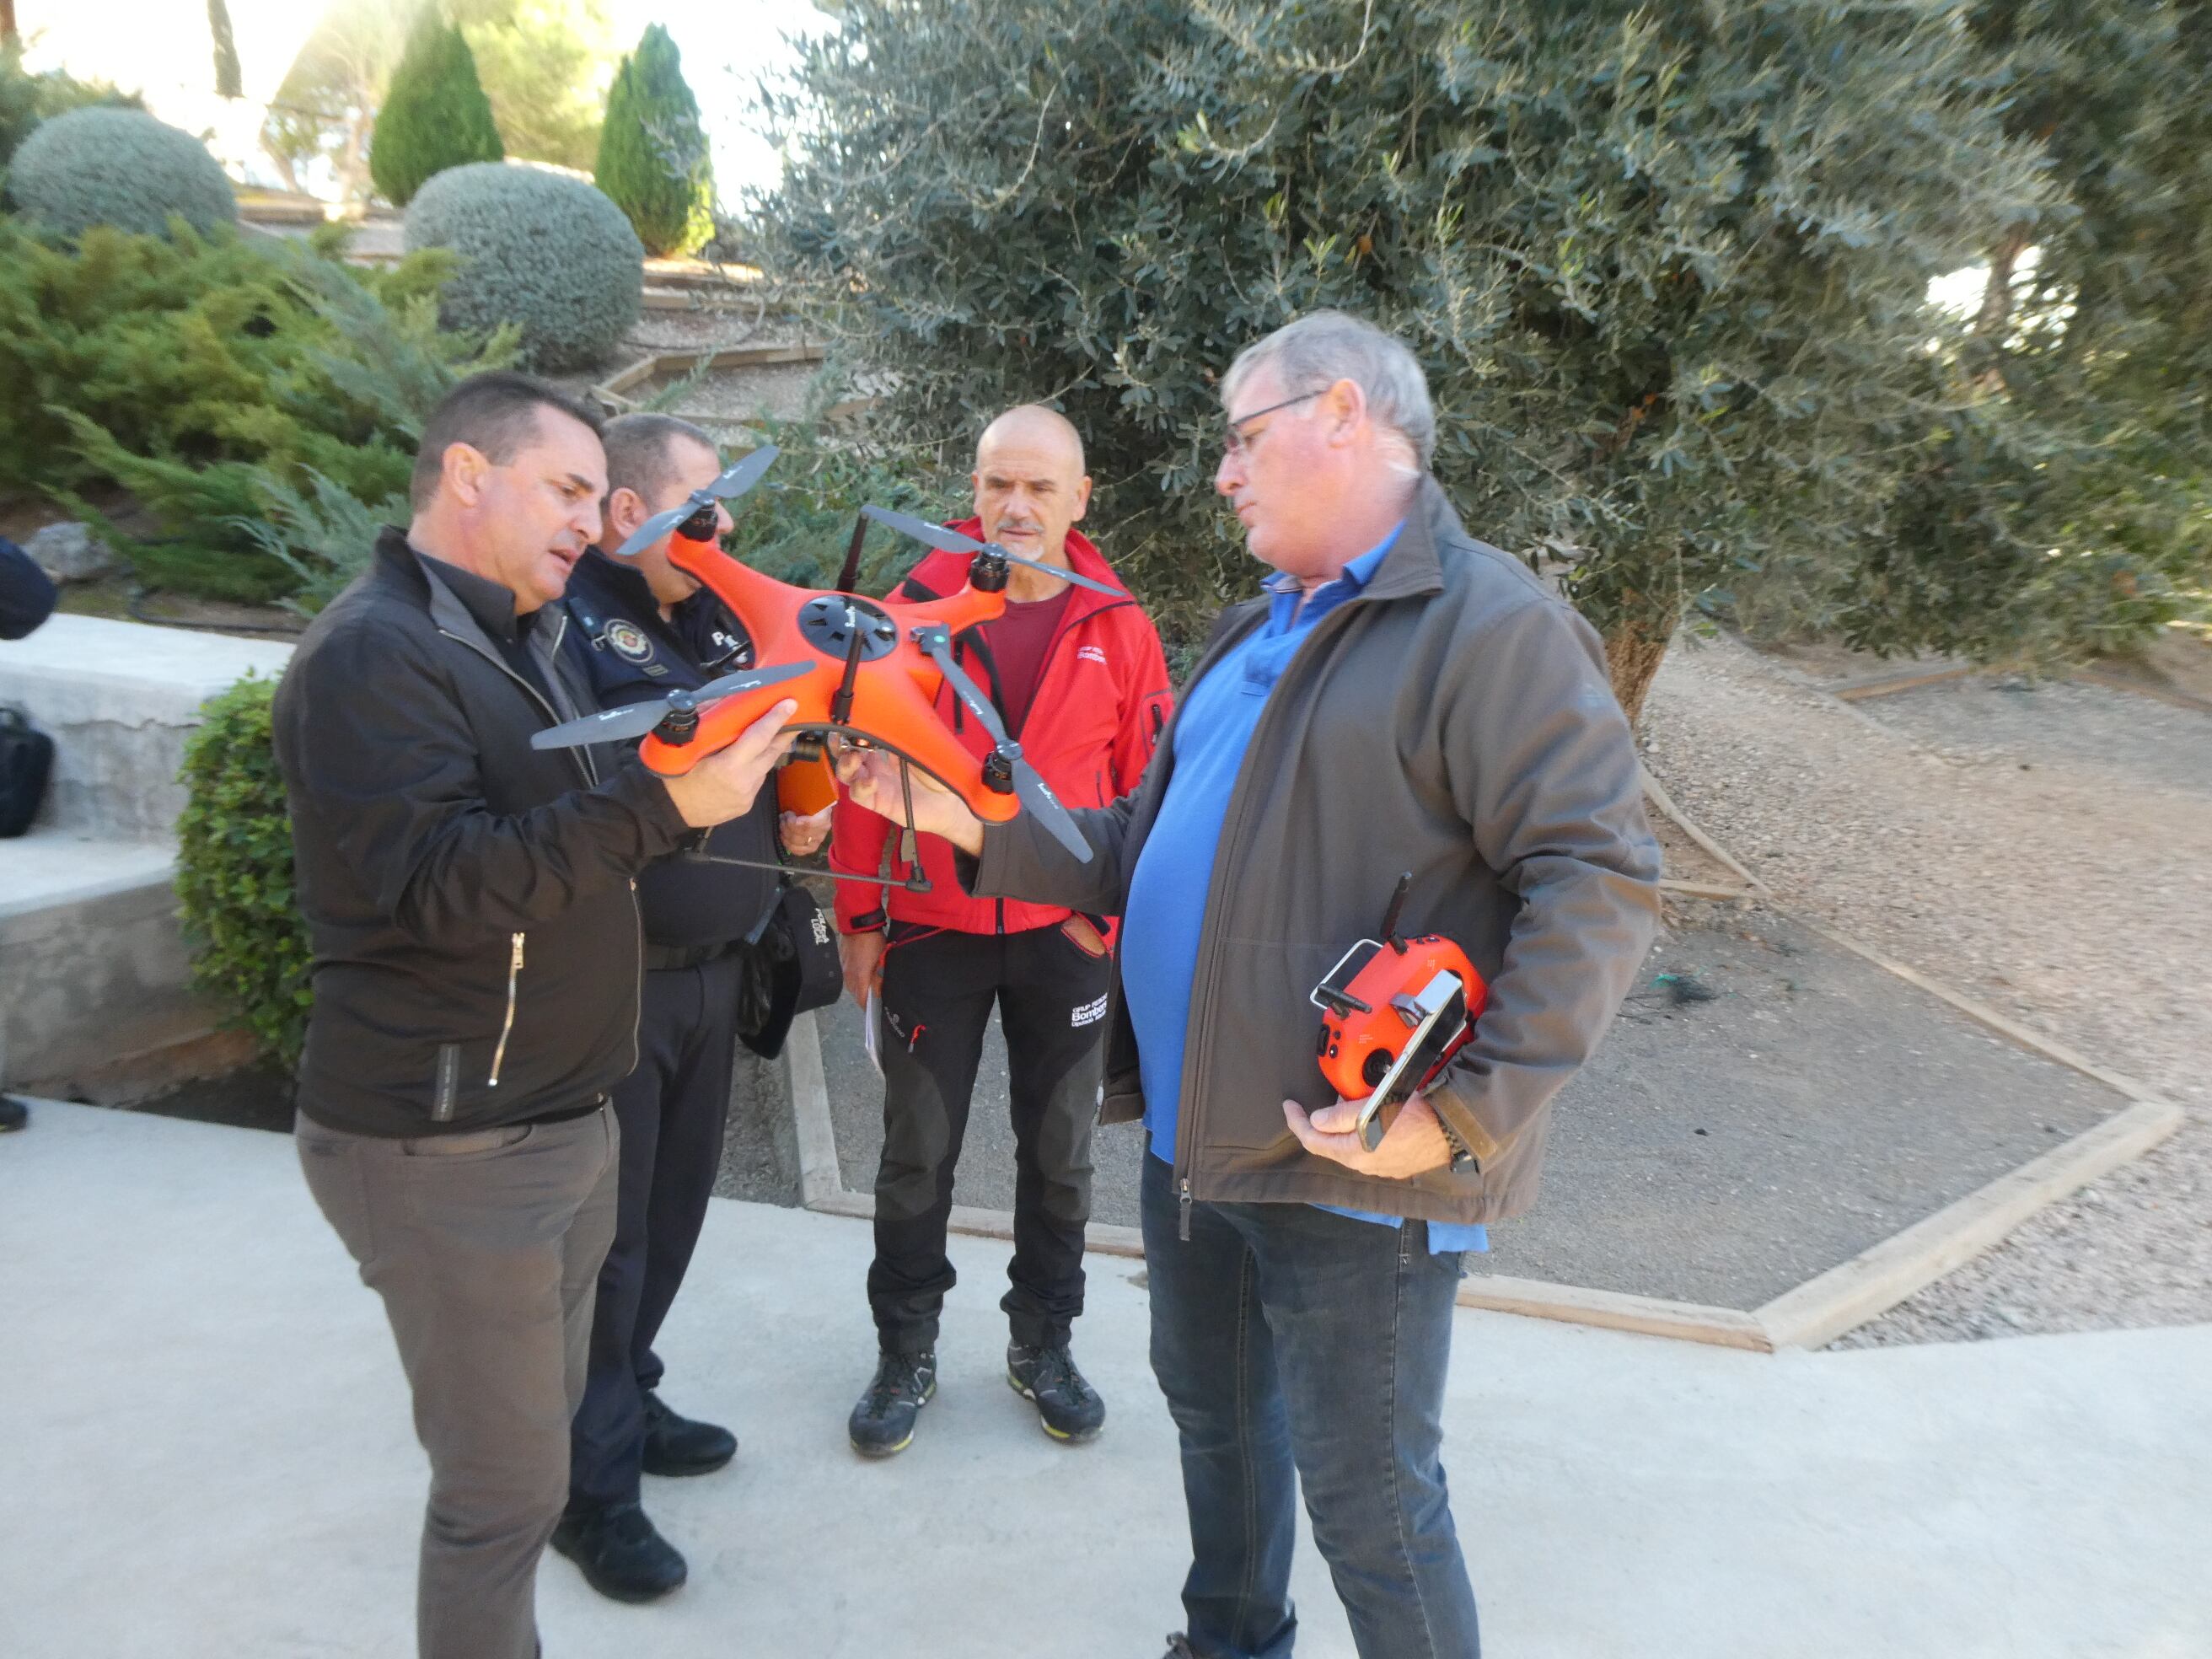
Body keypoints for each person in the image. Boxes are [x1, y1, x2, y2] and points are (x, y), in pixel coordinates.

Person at [840, 313, 1661, 1659]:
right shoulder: (1247, 635)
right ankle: (1228, 1643)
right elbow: (1123, 852)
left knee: (1372, 1504)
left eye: (1242, 436)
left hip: (1356, 1167)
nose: (1222, 473)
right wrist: (952, 811)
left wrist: (1459, 1114)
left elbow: (1602, 876)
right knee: (1217, 1424)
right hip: (1197, 1146)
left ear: (1343, 414)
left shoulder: (1485, 624)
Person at [271, 372, 799, 1659]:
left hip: (560, 1120)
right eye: (567, 489)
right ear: (466, 475)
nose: (590, 517)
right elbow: (444, 885)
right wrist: (665, 807)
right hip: (445, 1145)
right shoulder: (373, 655)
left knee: (543, 1450)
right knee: (500, 1497)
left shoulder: (523, 633)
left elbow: (582, 813)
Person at [830, 404, 1174, 1456]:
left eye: (1038, 488)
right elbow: (859, 776)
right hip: (931, 927)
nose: (1013, 507)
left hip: (1061, 938)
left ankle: (1042, 1343)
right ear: (972, 491)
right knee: (913, 1154)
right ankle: (904, 1347)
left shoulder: (1120, 626)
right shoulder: (908, 613)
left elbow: (1146, 795)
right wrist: (857, 914)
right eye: (996, 485)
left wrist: (1104, 925)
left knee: (1059, 1156)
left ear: (1080, 499)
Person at [548, 412, 832, 1602]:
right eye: (704, 507)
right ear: (630, 511)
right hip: (621, 980)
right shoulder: (570, 628)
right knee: (604, 1248)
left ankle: (628, 1394)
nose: (726, 531)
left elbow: (780, 734)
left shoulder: (714, 614)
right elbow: (601, 779)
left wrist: (809, 814)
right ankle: (586, 1490)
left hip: (718, 971)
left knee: (667, 1222)